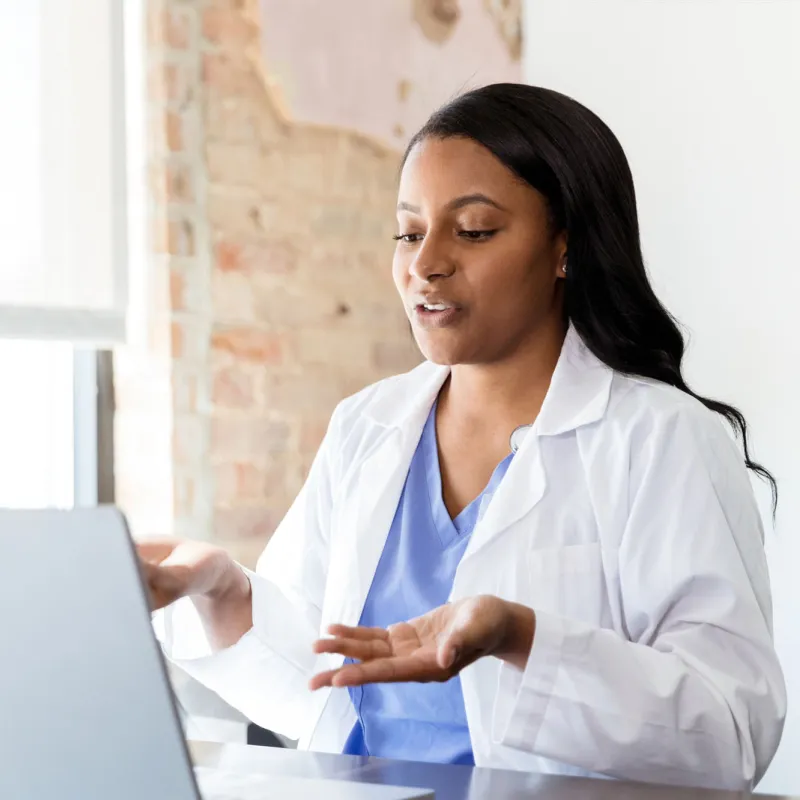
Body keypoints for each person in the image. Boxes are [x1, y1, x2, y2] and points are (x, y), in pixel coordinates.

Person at [140, 83, 786, 790]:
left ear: (565, 247)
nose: (426, 263)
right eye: (409, 231)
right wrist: (222, 593)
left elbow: (731, 732)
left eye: (473, 230)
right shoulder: (368, 427)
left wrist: (521, 637)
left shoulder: (661, 439)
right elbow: (323, 686)